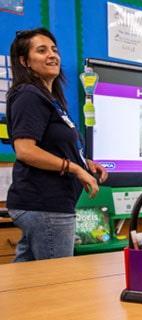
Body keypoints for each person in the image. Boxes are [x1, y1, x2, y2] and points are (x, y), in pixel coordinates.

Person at [6, 28, 108, 262]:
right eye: (41, 51)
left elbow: (53, 145)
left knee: (26, 282)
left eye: (54, 49)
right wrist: (75, 169)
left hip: (46, 206)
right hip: (46, 205)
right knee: (55, 282)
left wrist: (86, 163)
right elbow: (25, 150)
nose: (52, 55)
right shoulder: (29, 94)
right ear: (25, 61)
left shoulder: (49, 99)